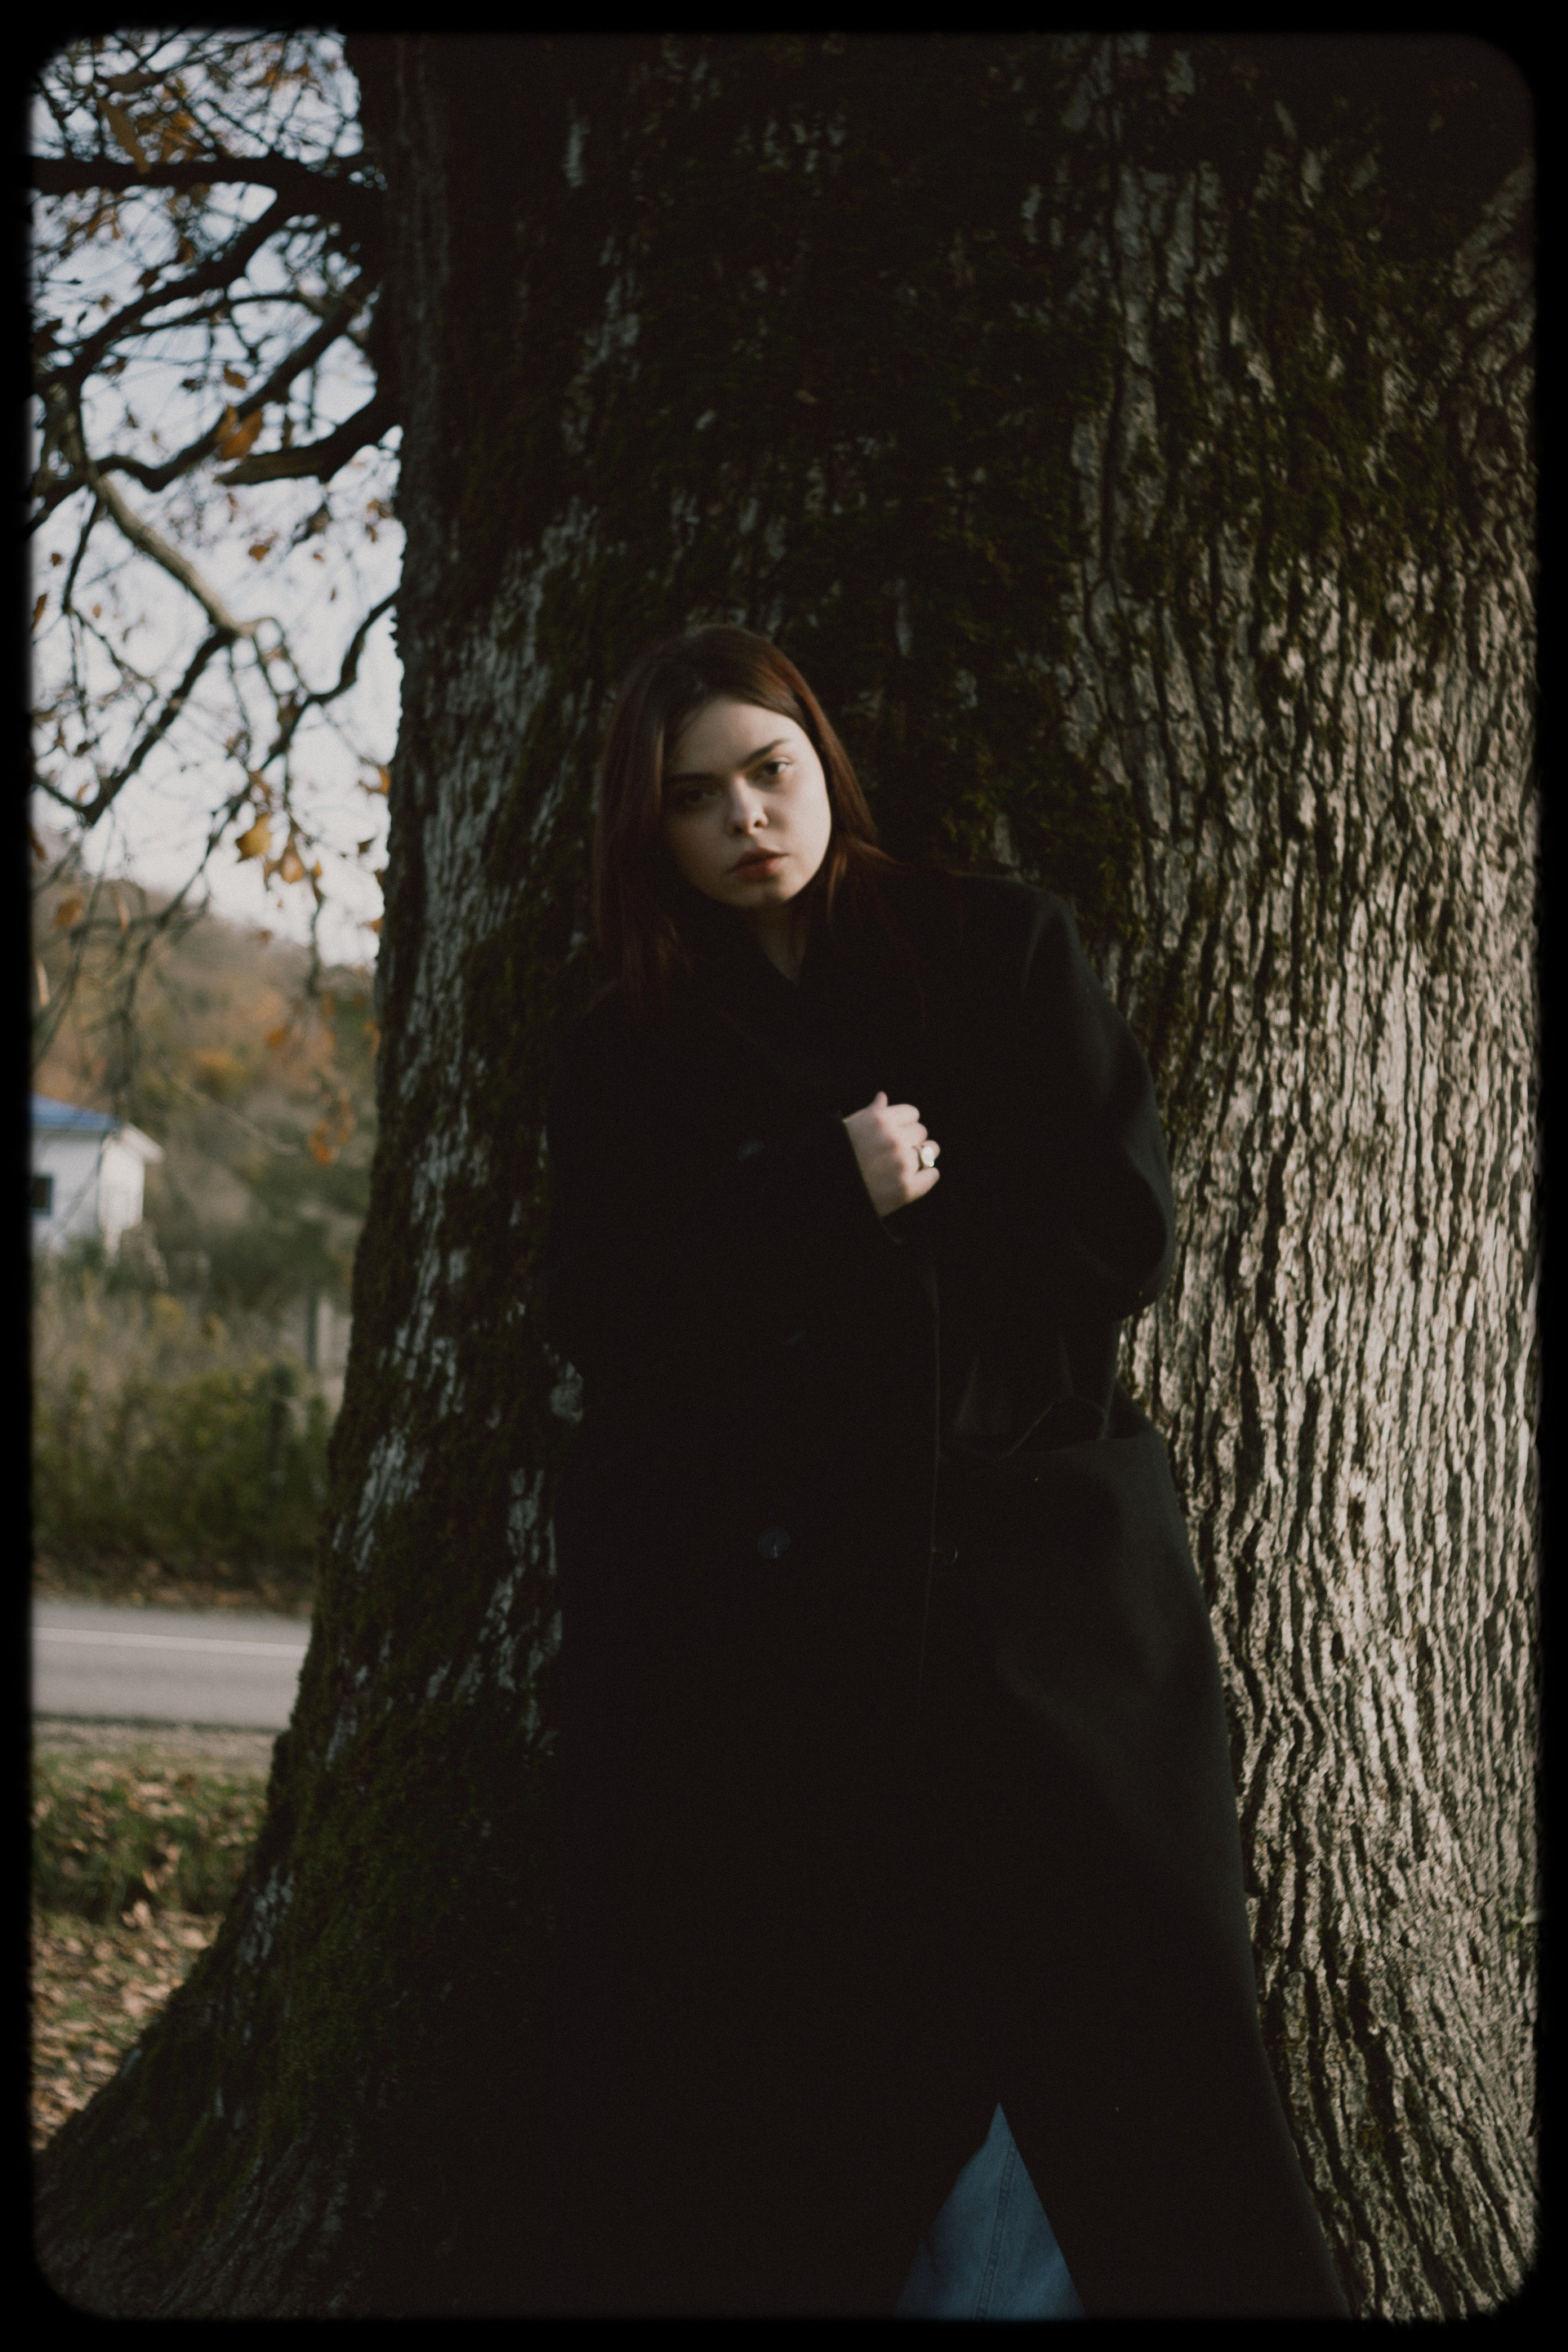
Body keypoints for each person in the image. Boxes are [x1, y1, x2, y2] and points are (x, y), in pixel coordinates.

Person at [541, 626, 1349, 2319]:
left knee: (1137, 2024)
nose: (747, 818)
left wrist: (873, 1282)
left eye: (771, 770)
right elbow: (616, 1320)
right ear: (648, 830)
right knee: (806, 2054)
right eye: (694, 797)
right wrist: (809, 1192)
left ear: (822, 762)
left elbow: (1112, 1234)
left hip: (1038, 1585)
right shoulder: (631, 1047)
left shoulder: (997, 946)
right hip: (786, 1627)